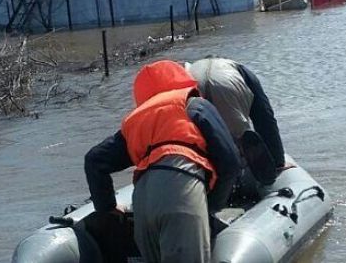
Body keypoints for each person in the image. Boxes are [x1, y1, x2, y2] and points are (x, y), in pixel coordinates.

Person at [84, 60, 240, 263]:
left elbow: (94, 160)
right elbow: (230, 162)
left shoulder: (136, 120)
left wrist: (107, 208)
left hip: (141, 200)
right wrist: (211, 205)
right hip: (180, 188)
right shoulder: (193, 104)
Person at [185, 58, 287, 184]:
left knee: (202, 139)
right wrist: (278, 161)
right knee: (236, 142)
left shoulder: (192, 68)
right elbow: (265, 117)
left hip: (192, 86)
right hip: (228, 86)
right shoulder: (242, 70)